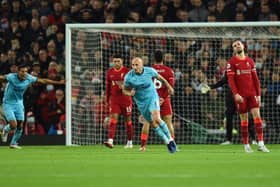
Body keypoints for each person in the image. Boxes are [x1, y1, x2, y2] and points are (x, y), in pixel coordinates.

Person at [0, 63, 65, 149]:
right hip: (8, 103)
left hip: (19, 103)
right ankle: (5, 130)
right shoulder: (12, 77)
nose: (24, 73)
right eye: (22, 71)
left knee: (20, 125)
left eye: (26, 71)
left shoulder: (29, 78)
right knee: (14, 124)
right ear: (18, 72)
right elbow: (2, 77)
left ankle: (13, 143)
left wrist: (58, 82)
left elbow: (43, 81)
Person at [123, 57, 177, 153]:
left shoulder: (150, 71)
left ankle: (171, 140)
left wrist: (169, 87)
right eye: (133, 65)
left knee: (156, 118)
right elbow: (124, 89)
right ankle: (166, 141)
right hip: (141, 102)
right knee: (153, 124)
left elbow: (161, 78)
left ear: (142, 65)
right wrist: (129, 93)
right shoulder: (129, 77)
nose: (135, 67)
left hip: (152, 97)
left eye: (137, 65)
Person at [226, 40, 270, 153]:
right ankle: (246, 145)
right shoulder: (231, 62)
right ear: (233, 49)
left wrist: (258, 95)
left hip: (252, 94)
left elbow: (256, 79)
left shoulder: (250, 61)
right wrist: (236, 94)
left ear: (243, 46)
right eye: (234, 46)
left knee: (257, 117)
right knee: (244, 120)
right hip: (241, 96)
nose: (237, 46)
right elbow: (231, 81)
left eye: (238, 44)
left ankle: (261, 143)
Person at [139, 50, 175, 151]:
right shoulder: (169, 71)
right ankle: (173, 145)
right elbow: (171, 87)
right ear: (162, 58)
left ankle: (143, 146)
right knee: (168, 122)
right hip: (165, 99)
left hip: (151, 100)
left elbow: (143, 86)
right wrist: (163, 98)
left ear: (153, 59)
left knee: (147, 122)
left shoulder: (148, 70)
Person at [209, 72, 257, 145]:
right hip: (230, 98)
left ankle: (253, 139)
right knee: (229, 117)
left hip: (241, 96)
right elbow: (222, 82)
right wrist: (211, 87)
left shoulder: (242, 69)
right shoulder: (228, 71)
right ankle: (228, 139)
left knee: (246, 117)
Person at [103, 54, 134, 149]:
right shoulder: (109, 72)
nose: (116, 63)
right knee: (113, 120)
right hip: (114, 100)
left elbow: (133, 84)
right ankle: (110, 141)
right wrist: (107, 99)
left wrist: (125, 87)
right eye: (115, 61)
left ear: (122, 61)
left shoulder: (128, 71)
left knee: (128, 121)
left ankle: (129, 142)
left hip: (126, 100)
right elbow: (108, 87)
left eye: (118, 61)